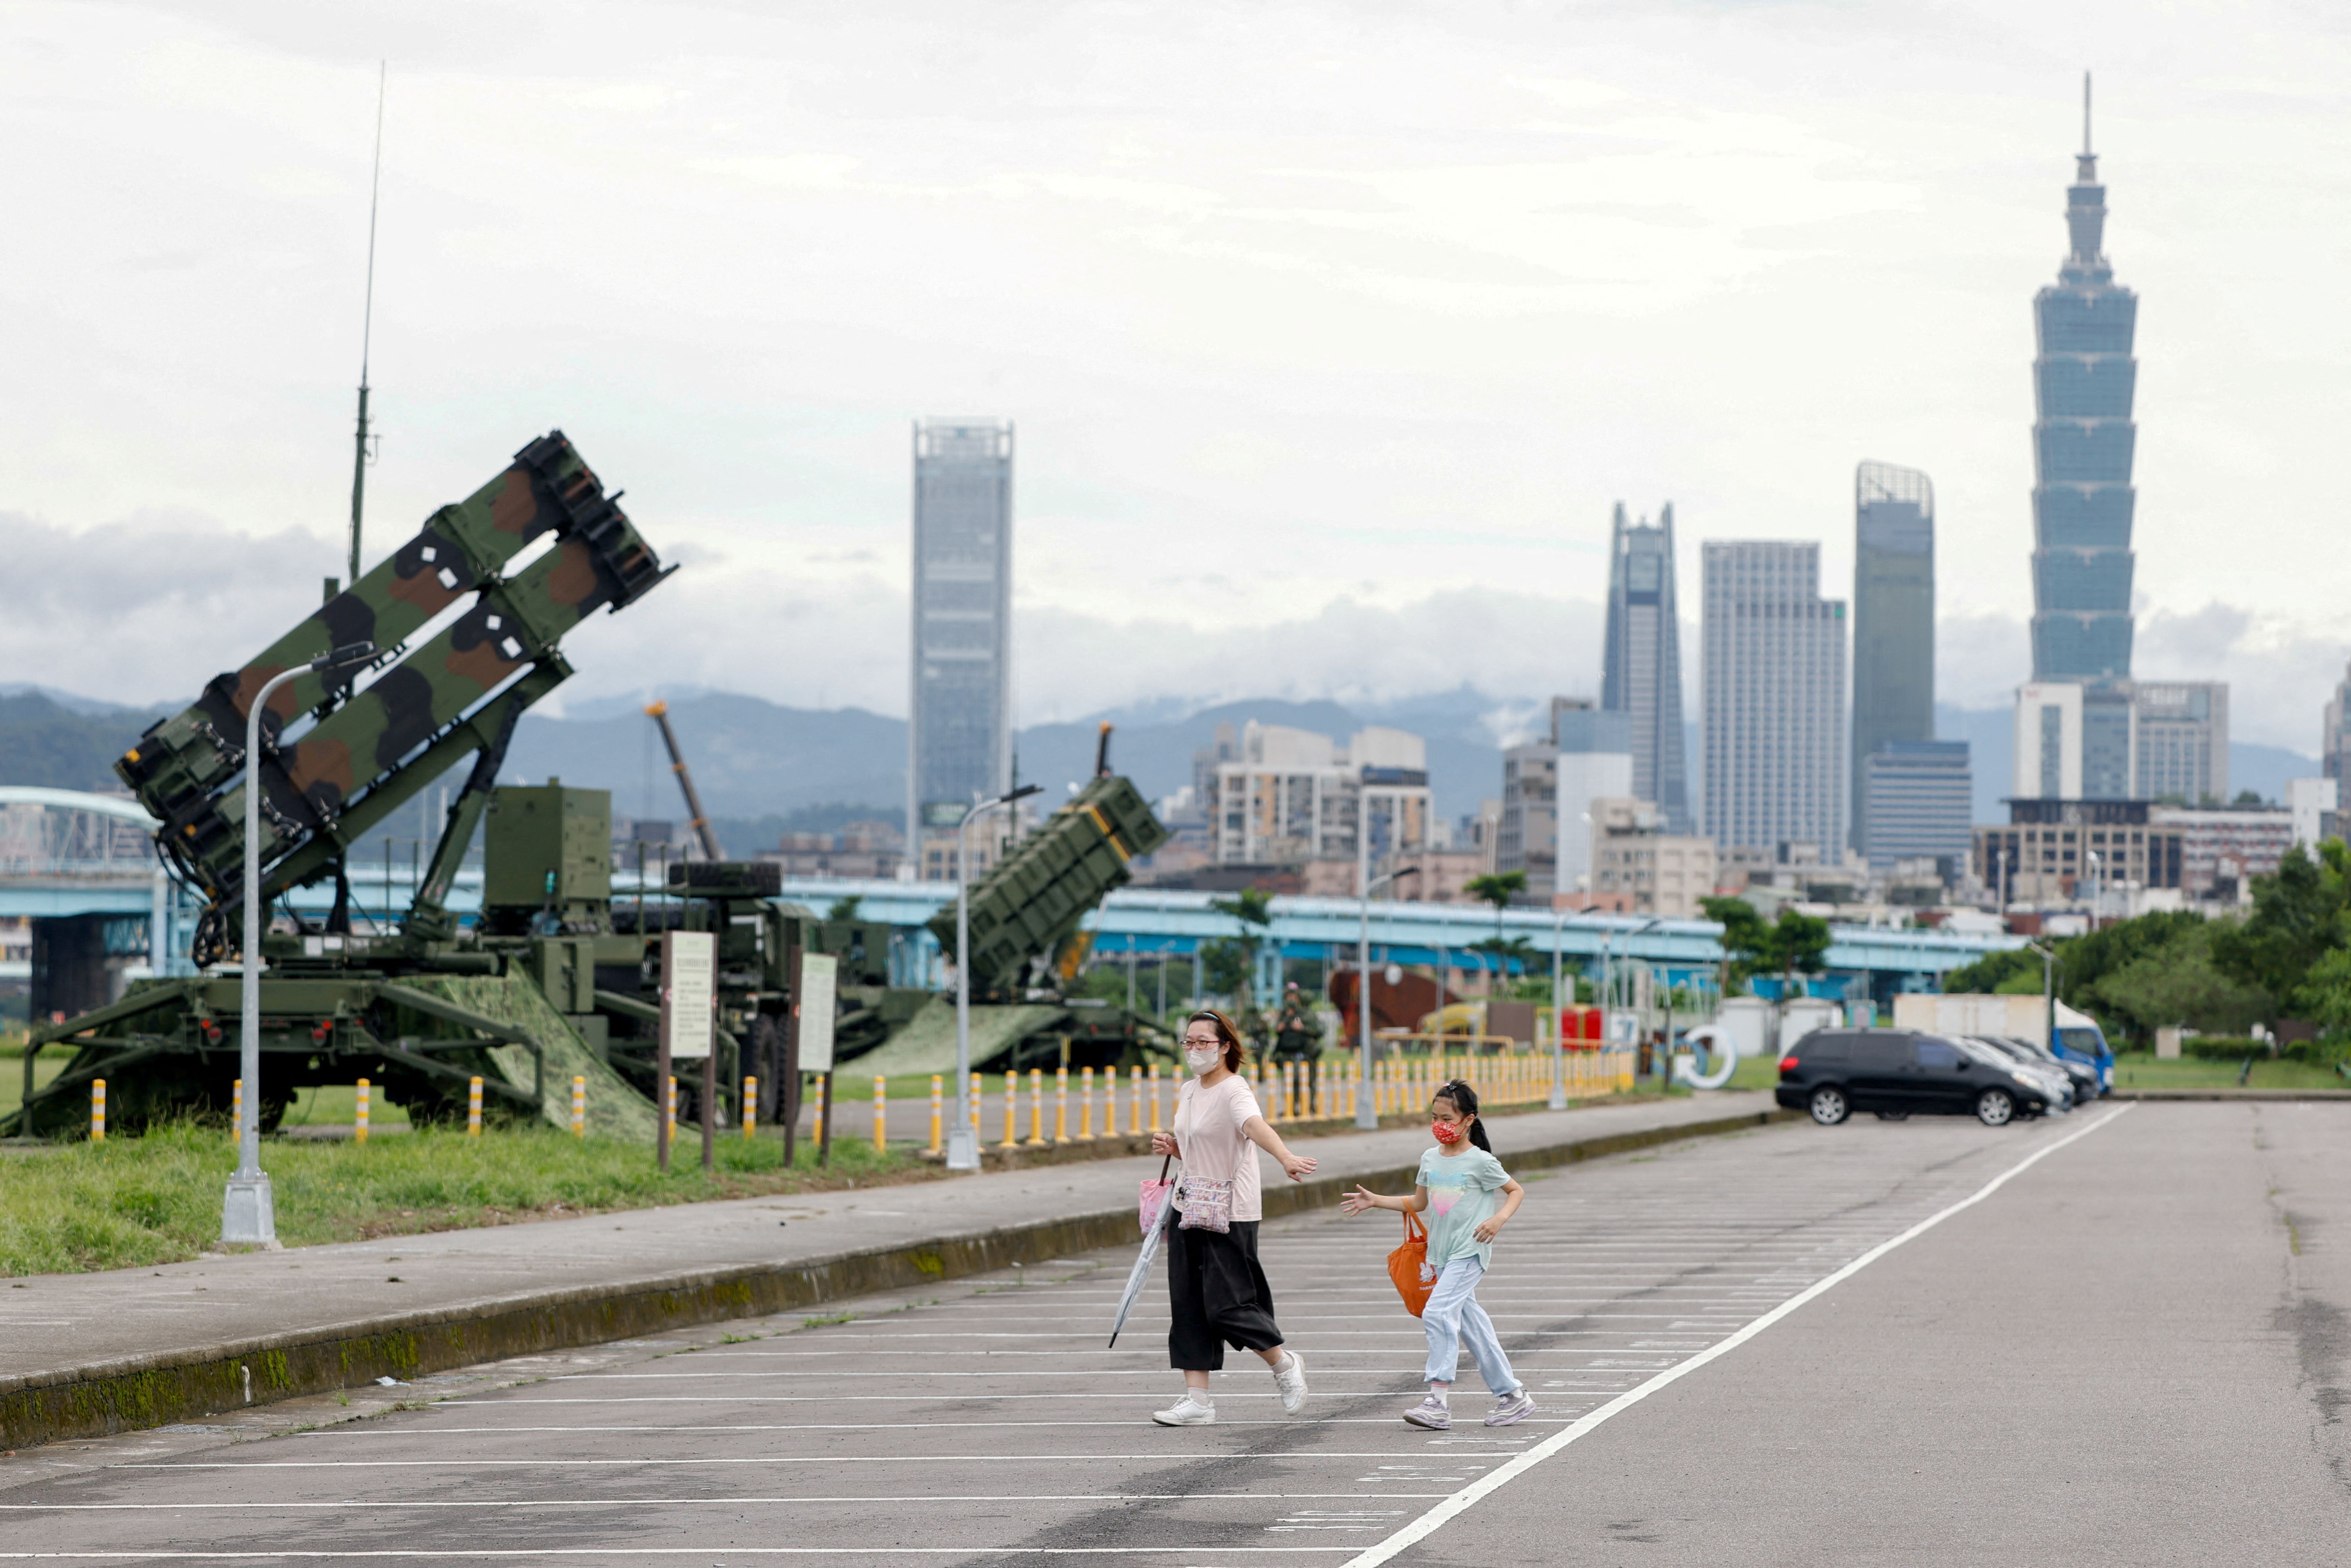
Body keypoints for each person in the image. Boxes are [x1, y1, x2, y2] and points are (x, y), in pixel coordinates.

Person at [1148, 1008, 1318, 1427]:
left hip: (1230, 1210)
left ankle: (1284, 1364)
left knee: (1228, 1305)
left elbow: (1253, 1126)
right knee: (1188, 1302)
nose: (1194, 1049)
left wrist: (1285, 1156)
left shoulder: (1234, 1089)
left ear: (1225, 1046)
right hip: (1189, 1205)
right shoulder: (1189, 1090)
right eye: (1189, 1042)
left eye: (1203, 1042)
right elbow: (1202, 1146)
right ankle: (1198, 1401)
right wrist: (1174, 1147)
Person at [1340, 1077, 1535, 1430]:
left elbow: (1515, 1191)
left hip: (1470, 1252)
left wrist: (1498, 1220)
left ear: (1468, 1120)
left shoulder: (1481, 1161)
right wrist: (1375, 1201)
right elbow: (1419, 1202)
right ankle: (1513, 1395)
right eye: (1435, 1117)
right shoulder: (1430, 1158)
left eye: (1447, 1118)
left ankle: (1438, 1400)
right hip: (1440, 1256)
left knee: (1437, 1312)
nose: (1439, 1125)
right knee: (1473, 1328)